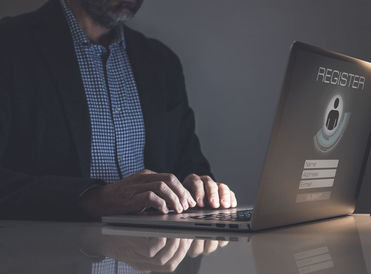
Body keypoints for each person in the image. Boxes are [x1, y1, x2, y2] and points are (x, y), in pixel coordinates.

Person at [0, 0, 237, 220]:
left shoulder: (161, 62)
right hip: (46, 258)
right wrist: (92, 198)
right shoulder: (9, 44)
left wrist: (200, 187)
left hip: (158, 258)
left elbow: (189, 164)